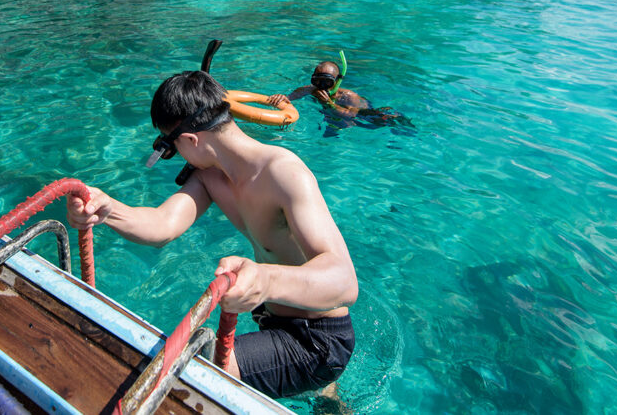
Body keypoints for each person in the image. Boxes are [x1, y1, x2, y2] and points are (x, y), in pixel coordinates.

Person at [67, 70, 358, 399]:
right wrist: (109, 210)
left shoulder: (283, 173)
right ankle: (327, 395)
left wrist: (266, 280)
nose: (176, 158)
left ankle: (324, 384)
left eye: (171, 149)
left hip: (318, 339)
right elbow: (163, 225)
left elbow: (345, 282)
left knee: (196, 368)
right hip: (273, 316)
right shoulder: (211, 178)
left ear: (191, 140)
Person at [267, 60, 412, 133]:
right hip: (335, 113)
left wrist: (329, 104)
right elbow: (289, 97)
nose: (321, 86)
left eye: (327, 82)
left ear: (337, 81)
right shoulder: (310, 89)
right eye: (317, 81)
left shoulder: (349, 97)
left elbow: (351, 116)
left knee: (376, 121)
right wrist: (281, 97)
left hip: (364, 115)